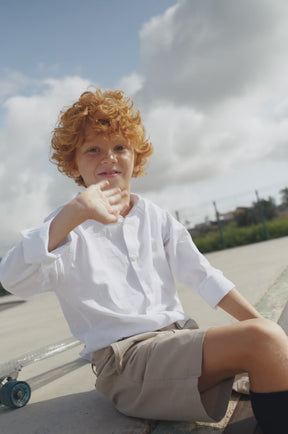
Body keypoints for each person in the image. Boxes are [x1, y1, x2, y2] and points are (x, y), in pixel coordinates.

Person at [0, 89, 287, 434]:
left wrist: (270, 331)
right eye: (93, 149)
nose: (109, 158)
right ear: (73, 163)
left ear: (136, 156)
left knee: (272, 338)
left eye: (120, 147)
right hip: (126, 364)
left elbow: (204, 276)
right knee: (264, 342)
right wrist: (74, 212)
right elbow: (13, 279)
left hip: (176, 342)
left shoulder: (154, 215)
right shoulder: (67, 228)